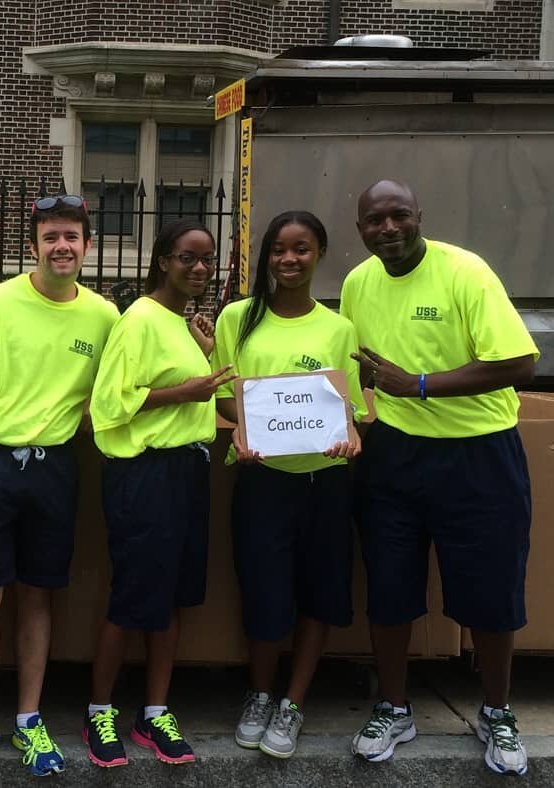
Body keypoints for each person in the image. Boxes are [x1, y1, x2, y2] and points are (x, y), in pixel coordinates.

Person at [342, 180, 536, 776]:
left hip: (478, 453)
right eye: (375, 220)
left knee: (492, 590)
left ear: (420, 216)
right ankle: (393, 706)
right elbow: (350, 366)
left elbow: (519, 361)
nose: (389, 228)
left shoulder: (465, 272)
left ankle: (497, 711)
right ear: (361, 230)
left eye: (399, 215)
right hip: (394, 454)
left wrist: (419, 384)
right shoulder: (356, 284)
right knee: (390, 587)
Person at [0, 195, 118, 779]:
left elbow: (118, 385)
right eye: (51, 236)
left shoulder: (104, 317)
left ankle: (29, 720)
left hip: (56, 468)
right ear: (32, 245)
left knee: (38, 596)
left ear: (87, 246)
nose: (63, 246)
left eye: (72, 237)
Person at [211, 211, 365, 759]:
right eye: (278, 249)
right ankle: (259, 694)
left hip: (324, 483)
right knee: (264, 591)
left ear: (320, 252)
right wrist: (244, 428)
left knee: (321, 593)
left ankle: (294, 700)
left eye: (301, 249)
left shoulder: (339, 327)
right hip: (261, 479)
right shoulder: (237, 318)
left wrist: (349, 438)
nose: (289, 260)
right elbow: (222, 394)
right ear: (266, 256)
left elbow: (350, 410)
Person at [82, 220, 235, 768]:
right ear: (163, 260)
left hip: (188, 470)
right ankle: (100, 710)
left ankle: (154, 712)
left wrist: (204, 355)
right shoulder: (139, 319)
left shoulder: (183, 323)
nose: (199, 269)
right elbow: (109, 404)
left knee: (172, 596)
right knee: (133, 595)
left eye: (207, 260)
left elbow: (207, 393)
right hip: (145, 475)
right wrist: (185, 393)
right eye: (187, 258)